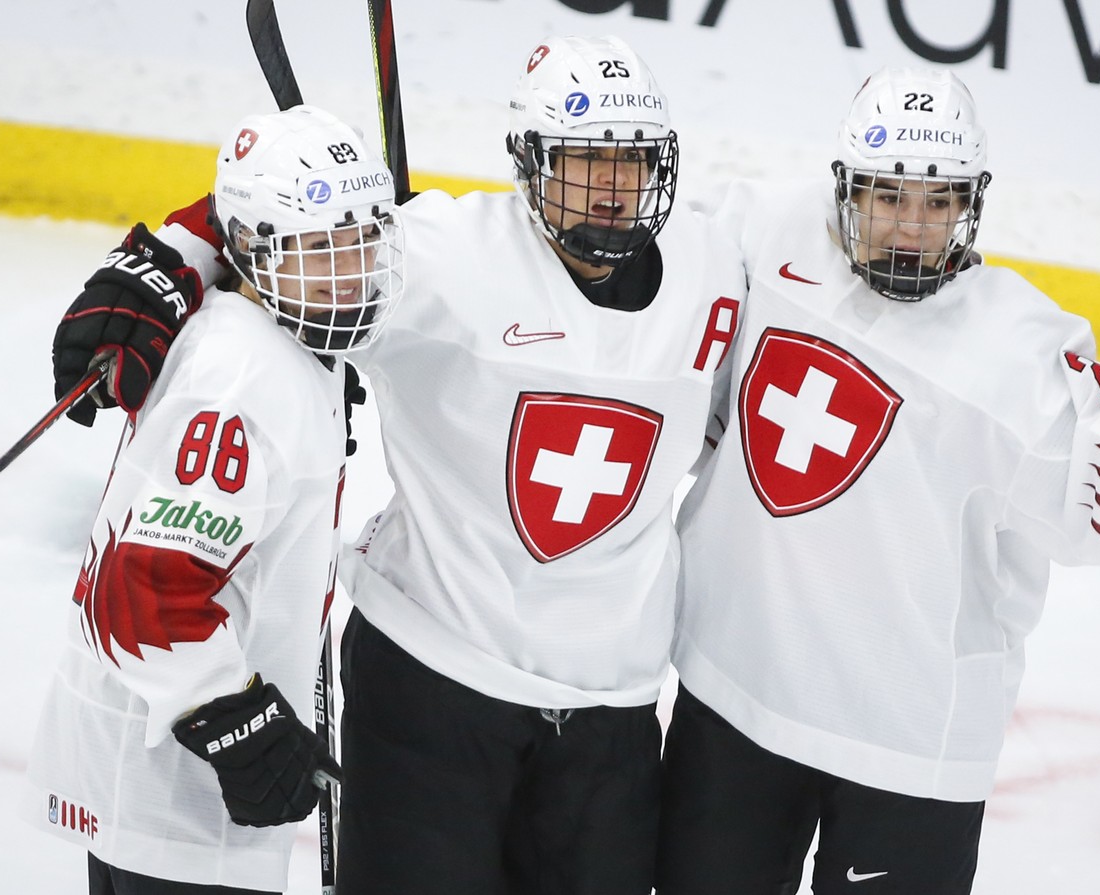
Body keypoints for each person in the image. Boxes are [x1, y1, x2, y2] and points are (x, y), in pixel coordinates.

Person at [47, 35, 746, 895]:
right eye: (581, 158)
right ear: (528, 161)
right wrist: (161, 265)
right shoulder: (439, 253)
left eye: (632, 159)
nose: (610, 183)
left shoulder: (718, 265)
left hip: (614, 707)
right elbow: (290, 219)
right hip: (432, 685)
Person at [655, 66, 1100, 894]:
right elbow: (639, 313)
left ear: (972, 204)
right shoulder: (760, 235)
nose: (911, 227)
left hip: (908, 745)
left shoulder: (1020, 348)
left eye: (939, 202)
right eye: (888, 196)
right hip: (732, 694)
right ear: (845, 188)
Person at [25, 104, 405, 894]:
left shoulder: (269, 323)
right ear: (252, 252)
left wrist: (176, 249)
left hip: (156, 764)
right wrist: (239, 720)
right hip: (173, 781)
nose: (346, 271)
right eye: (316, 249)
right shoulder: (243, 377)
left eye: (360, 239)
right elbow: (140, 590)